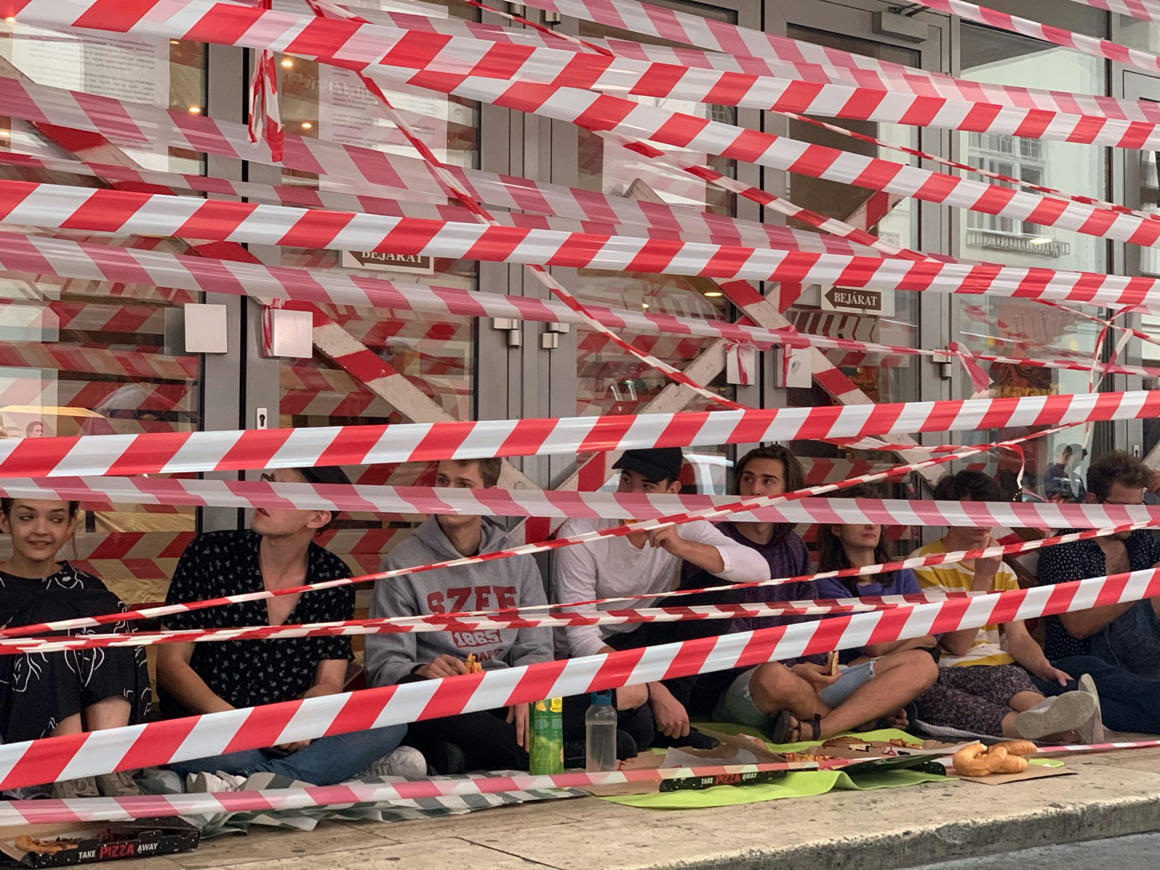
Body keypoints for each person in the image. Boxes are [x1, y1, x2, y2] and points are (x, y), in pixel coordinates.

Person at [157, 466, 417, 790]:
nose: (264, 495)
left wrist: (303, 719)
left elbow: (329, 681)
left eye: (283, 490)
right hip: (214, 727)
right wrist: (239, 723)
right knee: (202, 749)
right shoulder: (209, 554)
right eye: (268, 481)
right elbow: (170, 665)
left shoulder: (333, 578)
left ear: (317, 517)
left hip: (288, 732)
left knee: (390, 724)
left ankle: (248, 781)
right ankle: (317, 772)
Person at [689, 468, 938, 743]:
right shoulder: (715, 547)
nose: (756, 489)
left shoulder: (795, 549)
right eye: (748, 479)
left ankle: (823, 727)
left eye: (767, 479)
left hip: (817, 678)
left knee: (923, 664)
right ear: (835, 527)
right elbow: (876, 644)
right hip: (758, 683)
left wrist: (864, 661)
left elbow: (932, 633)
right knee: (774, 676)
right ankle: (857, 720)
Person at [552, 447, 771, 748]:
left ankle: (675, 717)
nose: (631, 496)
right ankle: (664, 717)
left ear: (673, 491)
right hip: (596, 652)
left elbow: (759, 569)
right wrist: (655, 689)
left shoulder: (677, 521)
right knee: (638, 729)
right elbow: (581, 639)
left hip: (646, 637)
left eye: (647, 487)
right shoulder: (581, 530)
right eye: (626, 480)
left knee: (721, 584)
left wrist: (680, 546)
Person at [365, 457, 558, 774]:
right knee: (430, 702)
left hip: (501, 696)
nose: (447, 493)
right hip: (439, 699)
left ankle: (463, 757)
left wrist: (528, 687)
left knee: (607, 707)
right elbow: (383, 669)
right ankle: (538, 754)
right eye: (442, 482)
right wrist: (423, 669)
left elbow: (537, 648)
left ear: (489, 495)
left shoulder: (517, 559)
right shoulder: (401, 564)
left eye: (463, 485)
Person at [909, 470, 1101, 741]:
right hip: (948, 670)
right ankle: (1066, 727)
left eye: (990, 511)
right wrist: (982, 578)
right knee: (965, 702)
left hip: (1001, 670)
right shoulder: (924, 564)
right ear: (948, 513)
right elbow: (957, 644)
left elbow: (1019, 638)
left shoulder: (1003, 571)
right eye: (973, 511)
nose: (983, 521)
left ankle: (1062, 721)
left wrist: (1045, 667)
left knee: (1016, 680)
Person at [0, 497, 150, 799]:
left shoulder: (90, 591)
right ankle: (71, 767)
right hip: (13, 724)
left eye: (55, 519)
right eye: (27, 517)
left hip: (95, 738)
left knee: (107, 610)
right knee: (49, 617)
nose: (41, 530)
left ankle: (108, 763)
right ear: (4, 521)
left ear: (71, 525)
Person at [1033, 452, 1160, 729]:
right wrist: (1144, 584)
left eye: (1139, 507)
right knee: (1135, 707)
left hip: (1140, 659)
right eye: (1122, 508)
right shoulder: (1065, 548)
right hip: (1084, 658)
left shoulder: (1139, 539)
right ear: (1092, 501)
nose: (1131, 517)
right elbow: (1078, 625)